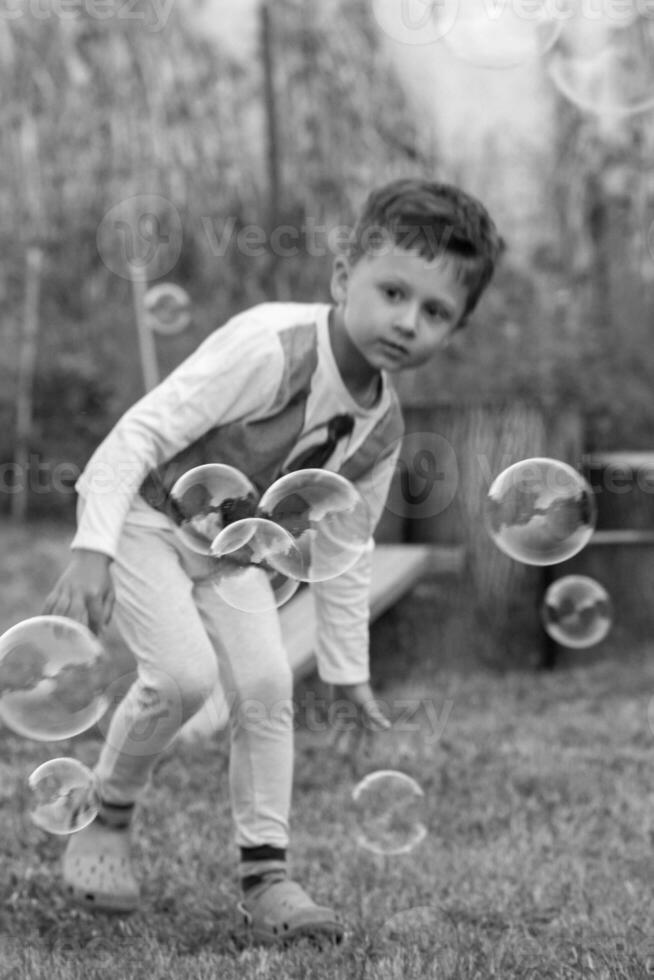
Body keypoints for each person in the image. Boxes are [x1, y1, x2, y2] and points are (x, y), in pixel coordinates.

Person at [43, 177, 503, 942]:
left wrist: (347, 668)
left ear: (453, 330)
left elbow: (347, 546)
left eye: (434, 313)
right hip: (151, 521)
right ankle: (107, 813)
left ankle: (267, 879)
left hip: (233, 552)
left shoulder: (382, 426)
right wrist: (92, 547)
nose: (406, 321)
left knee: (265, 686)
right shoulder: (272, 348)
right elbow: (138, 434)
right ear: (341, 276)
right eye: (393, 291)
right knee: (184, 678)